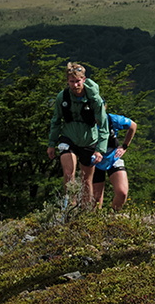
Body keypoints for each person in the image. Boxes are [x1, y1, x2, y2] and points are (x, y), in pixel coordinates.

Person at [47, 62, 110, 209]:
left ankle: (85, 212)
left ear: (84, 79)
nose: (75, 85)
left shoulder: (95, 99)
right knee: (69, 174)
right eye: (71, 82)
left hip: (89, 140)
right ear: (67, 81)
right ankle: (69, 206)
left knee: (86, 179)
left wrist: (100, 149)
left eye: (78, 81)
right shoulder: (62, 97)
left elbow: (103, 125)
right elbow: (56, 121)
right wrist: (51, 143)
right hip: (69, 137)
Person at [92, 112, 137, 211]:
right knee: (96, 198)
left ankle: (112, 218)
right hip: (94, 162)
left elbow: (133, 125)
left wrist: (124, 146)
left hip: (113, 158)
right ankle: (95, 222)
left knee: (122, 193)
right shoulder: (85, 122)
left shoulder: (113, 119)